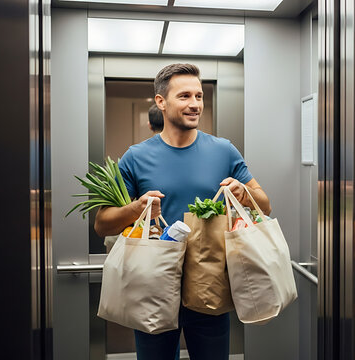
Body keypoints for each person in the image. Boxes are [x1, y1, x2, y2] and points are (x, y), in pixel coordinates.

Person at [94, 63, 271, 360]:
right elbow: (102, 223)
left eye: (199, 96)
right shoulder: (135, 157)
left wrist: (245, 193)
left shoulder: (224, 150)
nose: (195, 104)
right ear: (161, 102)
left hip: (210, 283)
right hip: (152, 286)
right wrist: (137, 209)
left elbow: (265, 204)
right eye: (185, 96)